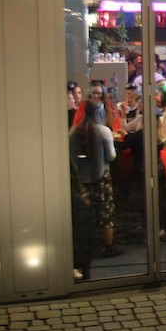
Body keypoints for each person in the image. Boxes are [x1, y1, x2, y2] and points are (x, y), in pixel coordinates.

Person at [69, 100, 121, 257]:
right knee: (106, 212)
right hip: (101, 176)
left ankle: (87, 246)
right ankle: (109, 247)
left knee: (86, 213)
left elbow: (71, 157)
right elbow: (111, 156)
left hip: (81, 179)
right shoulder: (104, 131)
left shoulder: (74, 131)